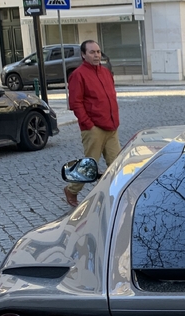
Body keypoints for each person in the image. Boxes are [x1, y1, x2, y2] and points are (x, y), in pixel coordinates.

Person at [64, 40, 121, 207]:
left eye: (98, 52)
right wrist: (88, 124)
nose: (96, 55)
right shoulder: (78, 75)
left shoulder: (105, 72)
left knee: (117, 164)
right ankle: (71, 190)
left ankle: (114, 193)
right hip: (93, 128)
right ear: (83, 55)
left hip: (111, 127)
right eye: (92, 52)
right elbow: (76, 102)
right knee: (89, 165)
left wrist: (114, 119)